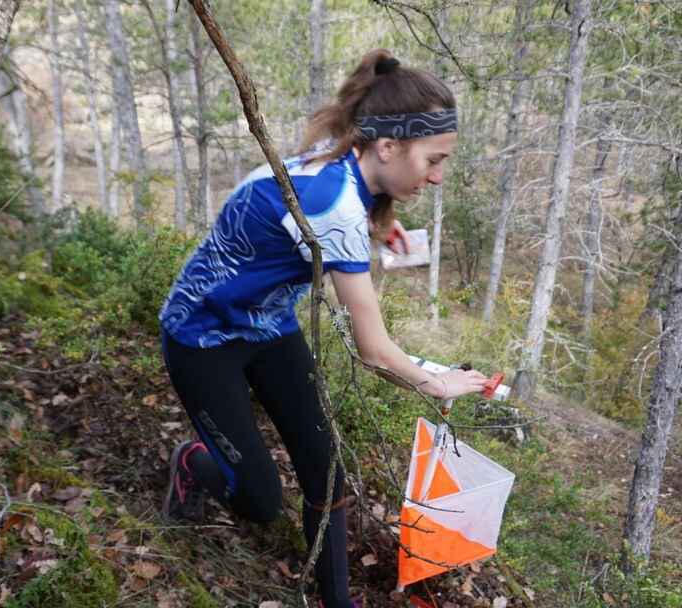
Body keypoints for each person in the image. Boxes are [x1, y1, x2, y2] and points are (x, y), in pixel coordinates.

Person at [158, 49, 488, 608]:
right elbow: (376, 352)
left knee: (326, 474)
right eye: (433, 160)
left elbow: (314, 210)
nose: (437, 176)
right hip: (202, 338)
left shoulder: (340, 166)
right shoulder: (336, 209)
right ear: (386, 146)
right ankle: (192, 463)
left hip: (268, 328)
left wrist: (383, 229)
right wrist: (439, 383)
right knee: (261, 503)